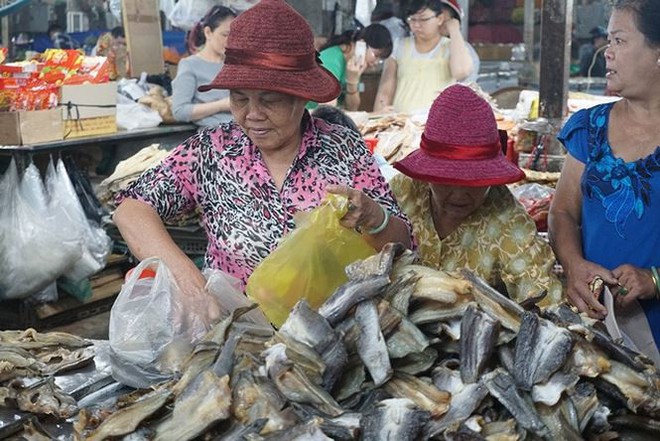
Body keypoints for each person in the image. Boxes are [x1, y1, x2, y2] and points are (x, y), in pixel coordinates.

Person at [113, 0, 413, 319]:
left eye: (270, 100)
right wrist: (190, 284)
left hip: (333, 334)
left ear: (301, 95)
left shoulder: (341, 146)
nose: (253, 115)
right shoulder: (211, 150)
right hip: (236, 334)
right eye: (239, 98)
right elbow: (131, 209)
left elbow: (402, 245)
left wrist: (373, 216)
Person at [549, 0, 660, 364]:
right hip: (596, 324)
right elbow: (562, 211)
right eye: (608, 41)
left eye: (620, 41)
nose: (606, 53)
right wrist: (573, 264)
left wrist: (655, 280)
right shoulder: (589, 128)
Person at [390, 84, 563, 304]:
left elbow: (544, 297)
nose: (460, 194)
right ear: (428, 175)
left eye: (475, 182)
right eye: (448, 180)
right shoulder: (402, 192)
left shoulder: (508, 221)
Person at [373, 0, 473, 114]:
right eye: (412, 19)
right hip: (403, 121)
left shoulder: (452, 47)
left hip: (437, 123)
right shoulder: (399, 45)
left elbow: (461, 72)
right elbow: (385, 89)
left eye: (423, 19)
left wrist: (454, 29)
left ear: (440, 19)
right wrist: (379, 114)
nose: (416, 25)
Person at [171, 6, 236, 127]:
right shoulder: (190, 65)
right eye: (225, 35)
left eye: (235, 36)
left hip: (245, 135)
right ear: (208, 32)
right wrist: (221, 105)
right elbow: (180, 111)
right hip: (215, 138)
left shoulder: (234, 64)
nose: (231, 41)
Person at [311, 24, 392, 111]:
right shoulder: (331, 59)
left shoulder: (354, 66)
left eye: (380, 60)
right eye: (376, 55)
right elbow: (326, 109)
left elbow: (352, 108)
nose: (376, 62)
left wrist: (352, 81)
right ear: (362, 44)